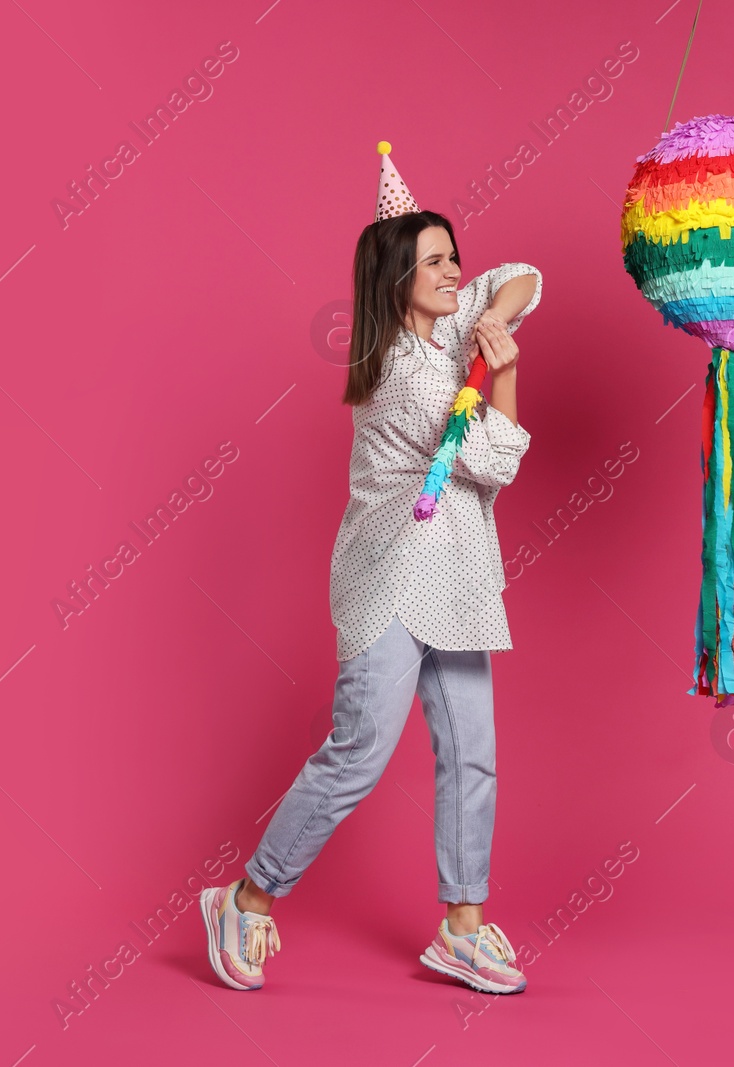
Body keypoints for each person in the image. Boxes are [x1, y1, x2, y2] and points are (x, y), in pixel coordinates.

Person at [199, 142, 541, 997]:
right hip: (393, 577)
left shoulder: (450, 328)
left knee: (475, 755)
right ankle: (245, 897)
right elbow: (494, 461)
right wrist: (505, 371)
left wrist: (491, 314)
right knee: (359, 752)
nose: (455, 269)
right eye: (434, 261)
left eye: (454, 254)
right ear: (396, 277)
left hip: (457, 578)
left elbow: (526, 275)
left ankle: (463, 929)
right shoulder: (397, 370)